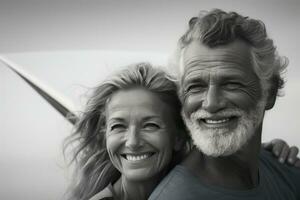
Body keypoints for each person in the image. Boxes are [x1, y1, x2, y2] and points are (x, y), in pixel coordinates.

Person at [64, 63, 299, 200]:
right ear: (106, 134)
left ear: (178, 136)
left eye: (150, 125)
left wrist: (267, 157)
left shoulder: (198, 179)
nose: (133, 141)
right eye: (118, 126)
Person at [149, 9, 300, 200]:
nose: (211, 104)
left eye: (231, 84)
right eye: (195, 86)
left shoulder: (285, 170)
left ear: (269, 92)